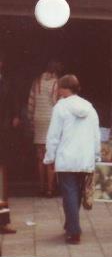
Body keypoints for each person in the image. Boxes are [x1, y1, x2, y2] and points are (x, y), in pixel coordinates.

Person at [44, 75, 101, 244]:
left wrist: (50, 157)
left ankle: (73, 231)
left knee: (69, 193)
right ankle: (71, 224)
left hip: (66, 157)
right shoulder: (89, 107)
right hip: (84, 157)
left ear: (63, 89)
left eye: (59, 88)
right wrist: (96, 155)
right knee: (75, 192)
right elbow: (96, 134)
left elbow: (54, 135)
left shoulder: (60, 107)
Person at [27, 59, 63, 197]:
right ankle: (50, 189)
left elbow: (31, 102)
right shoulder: (56, 83)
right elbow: (56, 102)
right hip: (51, 120)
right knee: (50, 156)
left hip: (38, 119)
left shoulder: (36, 82)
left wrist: (31, 120)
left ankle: (41, 187)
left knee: (40, 157)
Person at [0, 51, 20, 235]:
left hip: (2, 136)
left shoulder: (6, 83)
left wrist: (14, 116)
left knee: (1, 184)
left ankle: (3, 223)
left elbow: (13, 104)